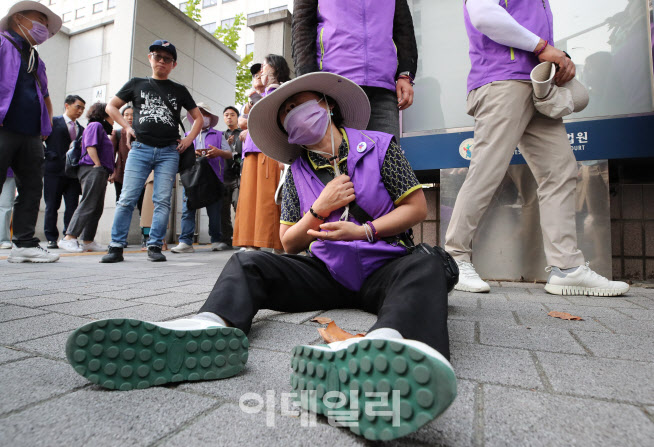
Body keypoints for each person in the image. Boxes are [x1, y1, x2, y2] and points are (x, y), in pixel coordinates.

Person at [65, 73, 457, 442]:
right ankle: (210, 326)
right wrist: (318, 210)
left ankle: (392, 349)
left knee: (425, 262)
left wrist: (364, 230)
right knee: (247, 261)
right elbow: (288, 243)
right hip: (328, 271)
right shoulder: (296, 173)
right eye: (285, 115)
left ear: (327, 104)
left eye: (298, 105)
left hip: (385, 263)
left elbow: (417, 208)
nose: (293, 117)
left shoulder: (379, 146)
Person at [444, 0, 629, 296]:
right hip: (502, 81)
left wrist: (557, 58)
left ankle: (566, 268)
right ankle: (453, 258)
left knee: (560, 170)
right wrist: (543, 46)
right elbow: (482, 14)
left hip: (538, 84)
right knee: (487, 170)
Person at [100, 39, 203, 263]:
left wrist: (189, 139)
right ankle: (116, 246)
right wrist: (127, 127)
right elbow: (111, 106)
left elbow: (199, 118)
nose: (162, 62)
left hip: (169, 151)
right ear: (150, 58)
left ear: (174, 64)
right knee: (127, 198)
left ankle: (155, 245)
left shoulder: (179, 90)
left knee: (162, 200)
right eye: (158, 57)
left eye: (167, 59)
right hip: (140, 148)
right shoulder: (136, 83)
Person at [0, 1, 62, 266]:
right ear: (18, 18)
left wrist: (45, 128)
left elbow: (45, 95)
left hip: (31, 133)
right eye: (39, 19)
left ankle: (24, 244)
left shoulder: (35, 58)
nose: (43, 27)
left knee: (31, 188)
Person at [291, 0, 417, 139]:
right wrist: (308, 82)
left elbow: (404, 28)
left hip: (382, 90)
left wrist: (406, 74)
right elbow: (302, 27)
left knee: (388, 157)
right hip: (334, 88)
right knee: (339, 157)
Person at [233, 55, 289, 253]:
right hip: (252, 151)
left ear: (276, 68)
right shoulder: (255, 96)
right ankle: (250, 242)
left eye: (265, 66)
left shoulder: (282, 90)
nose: (262, 71)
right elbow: (241, 122)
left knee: (270, 198)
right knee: (249, 198)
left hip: (270, 149)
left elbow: (276, 119)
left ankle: (278, 243)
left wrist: (251, 128)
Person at [171, 103, 231, 253]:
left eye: (205, 113)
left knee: (214, 211)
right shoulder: (187, 136)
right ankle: (185, 242)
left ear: (210, 118)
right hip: (191, 179)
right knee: (188, 209)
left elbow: (229, 154)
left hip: (213, 178)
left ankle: (216, 240)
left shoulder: (218, 135)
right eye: (198, 113)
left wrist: (218, 152)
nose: (202, 116)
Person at [57, 103, 114, 253]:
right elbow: (90, 145)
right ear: (105, 114)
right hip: (92, 168)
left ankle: (88, 240)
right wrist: (97, 164)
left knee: (96, 207)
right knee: (88, 203)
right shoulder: (95, 125)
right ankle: (69, 237)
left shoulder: (99, 127)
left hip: (99, 170)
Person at [43, 94, 85, 249]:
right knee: (52, 205)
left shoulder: (81, 129)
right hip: (53, 171)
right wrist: (48, 156)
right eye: (77, 107)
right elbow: (39, 140)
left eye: (82, 108)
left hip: (73, 174)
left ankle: (69, 236)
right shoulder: (53, 122)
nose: (80, 111)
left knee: (72, 206)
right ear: (67, 105)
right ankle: (51, 238)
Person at [109, 105, 145, 247]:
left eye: (133, 115)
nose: (130, 117)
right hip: (122, 175)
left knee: (144, 207)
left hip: (143, 176)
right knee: (122, 205)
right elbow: (110, 154)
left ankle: (146, 237)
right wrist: (111, 171)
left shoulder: (143, 133)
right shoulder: (117, 133)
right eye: (126, 114)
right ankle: (119, 239)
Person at [221, 105, 242, 248]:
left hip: (239, 175)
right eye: (227, 115)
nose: (229, 117)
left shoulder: (244, 133)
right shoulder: (221, 135)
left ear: (237, 117)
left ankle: (241, 238)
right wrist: (226, 147)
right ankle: (226, 240)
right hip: (224, 175)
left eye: (232, 114)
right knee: (223, 208)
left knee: (238, 205)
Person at [0, 169, 15, 250]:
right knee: (5, 206)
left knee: (6, 205)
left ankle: (1, 239)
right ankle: (1, 239)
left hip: (9, 169)